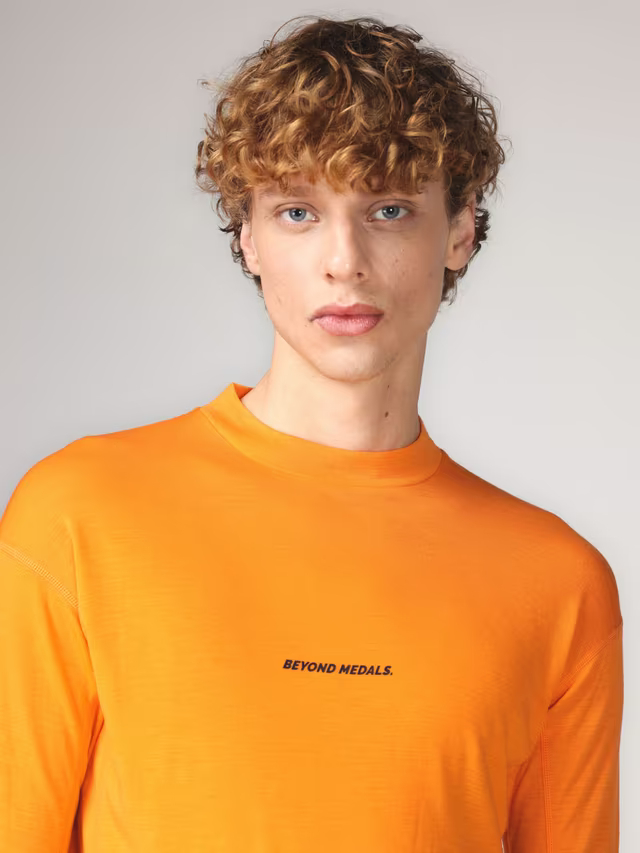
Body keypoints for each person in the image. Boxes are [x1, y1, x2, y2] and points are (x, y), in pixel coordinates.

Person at [0, 14, 623, 853]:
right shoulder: (80, 515)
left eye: (389, 208)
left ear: (460, 232)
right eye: (298, 211)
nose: (344, 260)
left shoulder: (558, 584)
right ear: (249, 238)